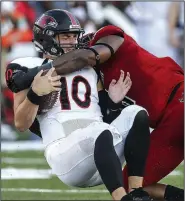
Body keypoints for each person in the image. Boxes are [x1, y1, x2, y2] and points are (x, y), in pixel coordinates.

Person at [5, 9, 183, 201]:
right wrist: (35, 93)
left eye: (74, 36)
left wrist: (113, 103)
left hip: (97, 148)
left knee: (136, 113)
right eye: (65, 36)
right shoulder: (27, 65)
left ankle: (136, 192)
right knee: (97, 131)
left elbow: (106, 119)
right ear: (46, 38)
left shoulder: (90, 70)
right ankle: (122, 199)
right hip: (65, 151)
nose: (72, 42)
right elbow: (21, 124)